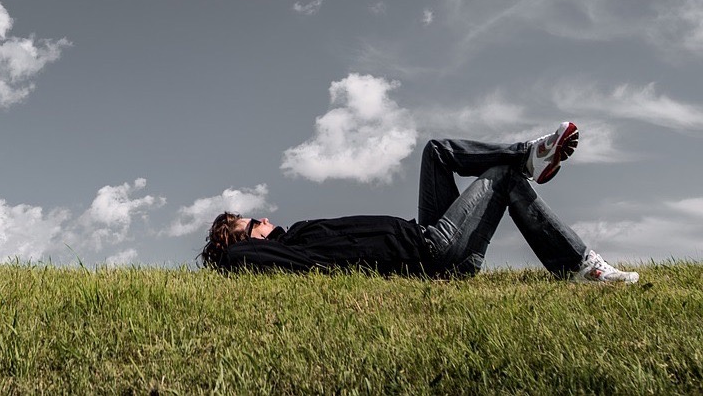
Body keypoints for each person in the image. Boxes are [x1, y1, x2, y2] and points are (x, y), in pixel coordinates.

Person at [201, 122, 639, 283]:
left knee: (436, 150)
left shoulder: (296, 235)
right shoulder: (276, 254)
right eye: (247, 224)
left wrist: (242, 233)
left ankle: (528, 153)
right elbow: (239, 259)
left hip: (423, 231)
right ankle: (583, 266)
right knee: (503, 178)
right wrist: (230, 242)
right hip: (432, 252)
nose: (259, 218)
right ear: (241, 243)